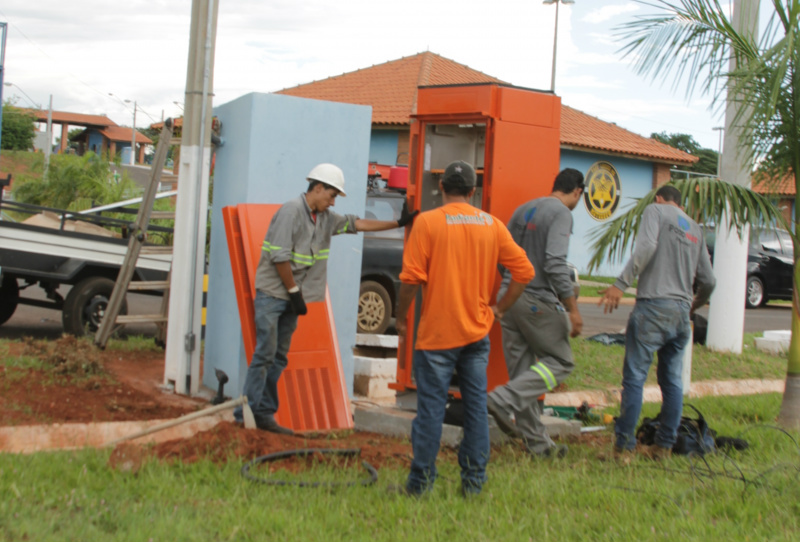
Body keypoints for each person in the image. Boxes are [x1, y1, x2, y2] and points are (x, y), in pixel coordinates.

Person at [233, 163, 417, 434]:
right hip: (274, 295)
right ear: (317, 188)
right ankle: (244, 415)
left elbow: (357, 223)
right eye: (331, 195)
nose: (333, 202)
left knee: (279, 357)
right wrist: (294, 291)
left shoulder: (325, 218)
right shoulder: (291, 212)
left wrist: (398, 223)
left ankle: (263, 414)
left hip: (293, 297)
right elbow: (279, 256)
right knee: (265, 354)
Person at [394, 160, 535, 496]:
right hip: (477, 334)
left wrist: (400, 318)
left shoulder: (427, 223)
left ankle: (420, 484)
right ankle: (473, 484)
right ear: (474, 191)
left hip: (438, 336)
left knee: (429, 409)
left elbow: (411, 280)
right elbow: (524, 272)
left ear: (442, 187)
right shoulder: (492, 225)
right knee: (475, 410)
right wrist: (499, 308)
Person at [599, 184, 715, 459]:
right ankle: (663, 446)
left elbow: (648, 245)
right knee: (672, 381)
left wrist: (620, 283)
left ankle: (624, 449)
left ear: (659, 198)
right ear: (680, 203)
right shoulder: (696, 229)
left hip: (652, 307)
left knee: (635, 378)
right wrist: (692, 305)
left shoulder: (655, 211)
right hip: (681, 314)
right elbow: (709, 281)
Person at [484, 168, 585, 458]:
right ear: (577, 192)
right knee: (562, 362)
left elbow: (504, 257)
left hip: (510, 298)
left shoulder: (524, 209)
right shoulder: (562, 214)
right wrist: (572, 309)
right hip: (535, 299)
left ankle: (539, 447)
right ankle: (502, 399)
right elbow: (555, 263)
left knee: (524, 374)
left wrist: (510, 288)